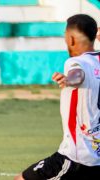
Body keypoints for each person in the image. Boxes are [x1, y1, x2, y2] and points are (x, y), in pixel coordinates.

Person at [14, 14, 100, 180]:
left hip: (76, 157)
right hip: (96, 156)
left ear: (71, 39)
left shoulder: (76, 62)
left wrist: (69, 79)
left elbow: (78, 74)